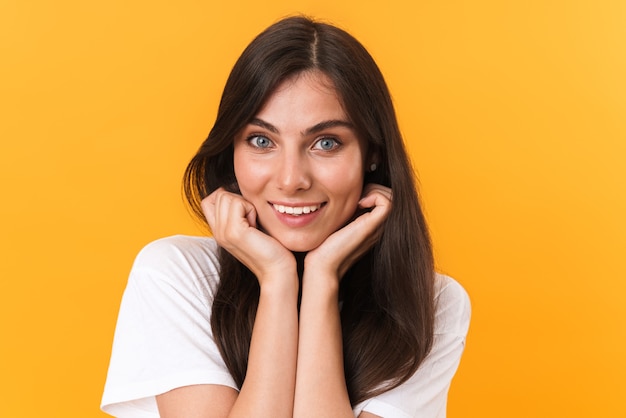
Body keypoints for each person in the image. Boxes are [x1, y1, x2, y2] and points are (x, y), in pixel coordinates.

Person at [101, 15, 470, 418]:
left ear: (373, 155)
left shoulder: (428, 305)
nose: (291, 179)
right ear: (232, 151)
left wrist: (321, 282)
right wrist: (277, 279)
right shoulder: (177, 275)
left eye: (326, 143)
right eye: (262, 141)